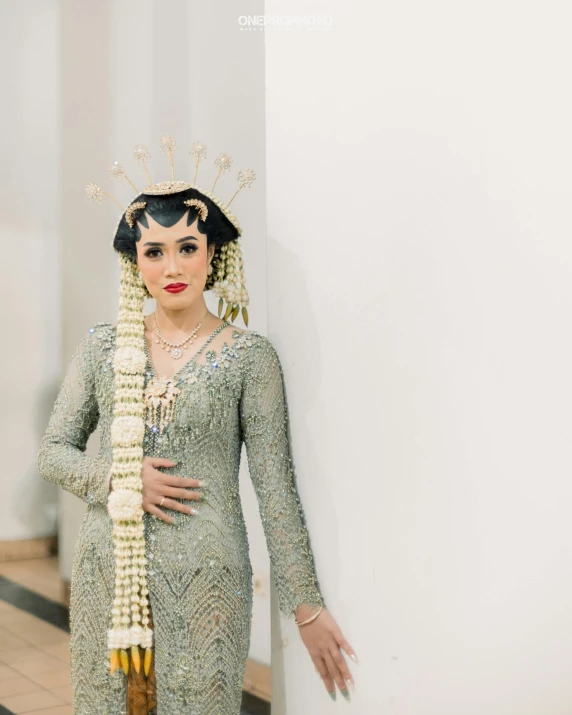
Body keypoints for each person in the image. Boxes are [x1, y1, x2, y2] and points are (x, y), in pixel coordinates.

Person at [36, 137, 357, 714]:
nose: (172, 266)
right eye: (154, 251)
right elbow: (54, 450)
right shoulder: (104, 348)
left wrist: (305, 607)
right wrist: (119, 479)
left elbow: (275, 487)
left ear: (214, 255)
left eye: (188, 247)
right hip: (107, 576)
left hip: (209, 581)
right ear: (136, 262)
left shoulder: (248, 357)